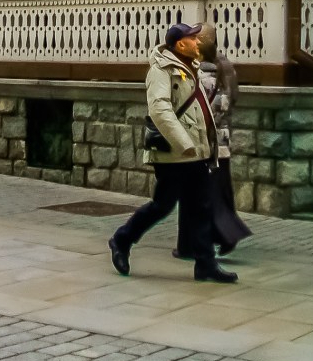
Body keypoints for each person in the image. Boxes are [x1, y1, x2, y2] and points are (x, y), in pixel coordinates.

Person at [108, 23, 237, 284]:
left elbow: (199, 110)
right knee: (162, 205)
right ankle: (121, 240)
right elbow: (160, 110)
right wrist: (183, 143)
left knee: (201, 206)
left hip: (196, 152)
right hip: (175, 153)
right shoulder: (161, 70)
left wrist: (205, 144)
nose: (197, 42)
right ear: (180, 44)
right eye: (192, 38)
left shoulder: (191, 67)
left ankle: (205, 265)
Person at [175, 24, 252, 259]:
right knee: (219, 190)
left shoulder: (196, 71)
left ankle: (201, 240)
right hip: (222, 139)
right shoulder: (225, 66)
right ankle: (209, 238)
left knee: (193, 192)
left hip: (201, 142)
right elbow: (234, 97)